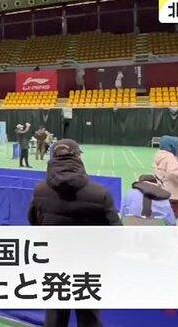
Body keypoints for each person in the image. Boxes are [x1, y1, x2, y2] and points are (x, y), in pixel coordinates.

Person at [28, 139, 121, 327]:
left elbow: (34, 220)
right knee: (89, 317)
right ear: (78, 158)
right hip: (89, 265)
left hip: (55, 263)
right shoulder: (100, 193)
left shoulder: (40, 190)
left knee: (55, 316)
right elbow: (116, 232)